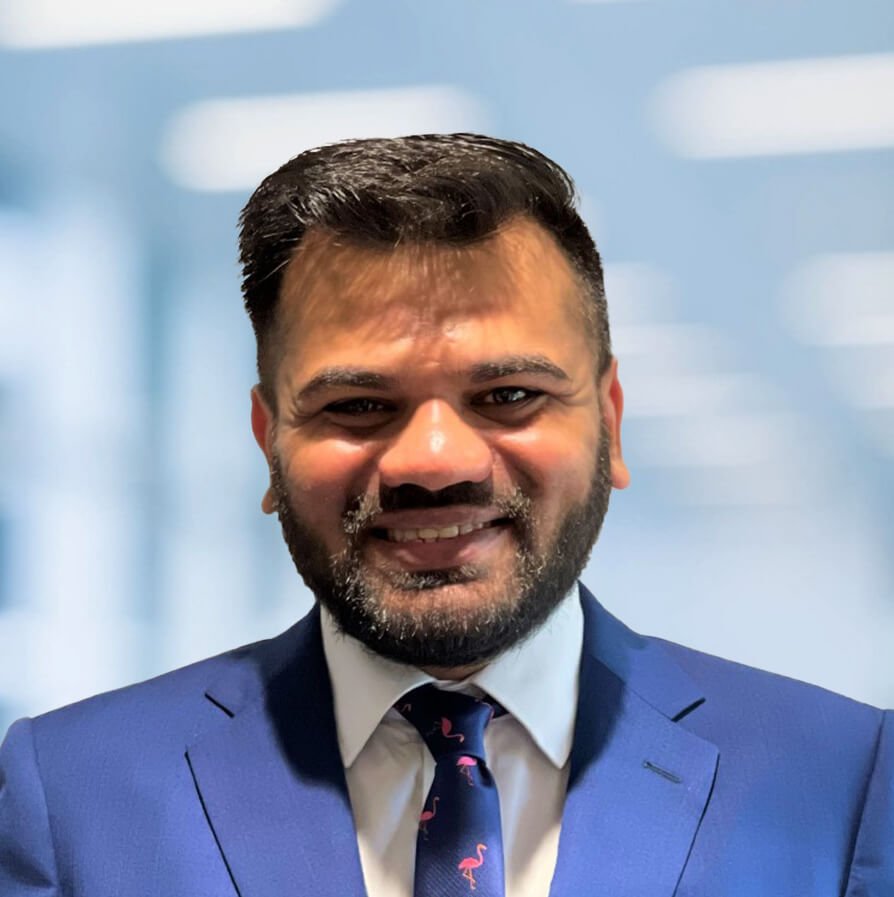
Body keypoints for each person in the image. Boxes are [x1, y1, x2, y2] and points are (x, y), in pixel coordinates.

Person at [0, 134, 890, 897]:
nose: (433, 462)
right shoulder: (72, 795)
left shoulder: (843, 780)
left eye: (509, 394)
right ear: (268, 440)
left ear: (610, 424)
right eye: (357, 405)